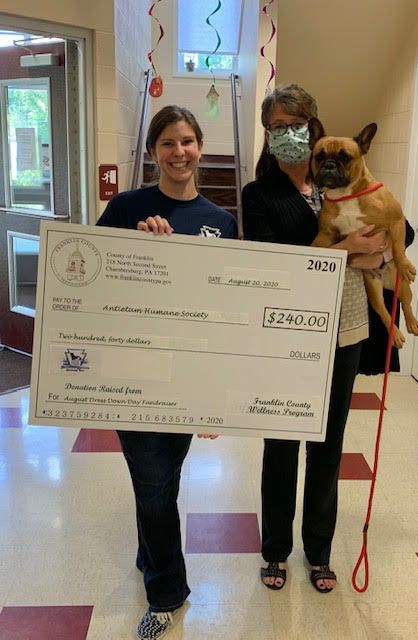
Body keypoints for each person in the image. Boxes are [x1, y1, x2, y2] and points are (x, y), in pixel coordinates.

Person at [242, 84, 396, 593]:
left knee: (329, 444)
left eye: (297, 124)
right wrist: (350, 251)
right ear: (268, 135)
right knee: (282, 443)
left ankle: (320, 551)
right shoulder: (259, 194)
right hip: (287, 332)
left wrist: (382, 253)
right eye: (278, 127)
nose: (289, 134)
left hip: (346, 330)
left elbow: (402, 230)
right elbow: (271, 259)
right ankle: (275, 551)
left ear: (314, 127)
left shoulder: (346, 173)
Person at [97, 104, 237, 639]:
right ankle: (168, 593)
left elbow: (221, 314)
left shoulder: (221, 223)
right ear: (154, 152)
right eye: (168, 143)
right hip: (133, 367)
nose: (180, 153)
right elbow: (97, 285)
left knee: (164, 476)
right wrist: (139, 244)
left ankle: (147, 550)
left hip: (184, 375)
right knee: (153, 481)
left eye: (188, 141)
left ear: (200, 146)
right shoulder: (127, 207)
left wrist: (212, 393)